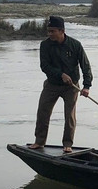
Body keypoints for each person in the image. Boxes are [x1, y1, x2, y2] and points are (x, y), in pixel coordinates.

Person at [27, 15, 93, 153]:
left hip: (71, 87)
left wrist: (87, 86)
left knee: (69, 115)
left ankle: (67, 144)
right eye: (48, 31)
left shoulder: (75, 45)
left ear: (61, 31)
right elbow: (44, 66)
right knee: (42, 112)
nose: (49, 34)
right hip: (52, 85)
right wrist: (60, 74)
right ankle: (39, 142)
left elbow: (85, 66)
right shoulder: (44, 45)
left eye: (52, 31)